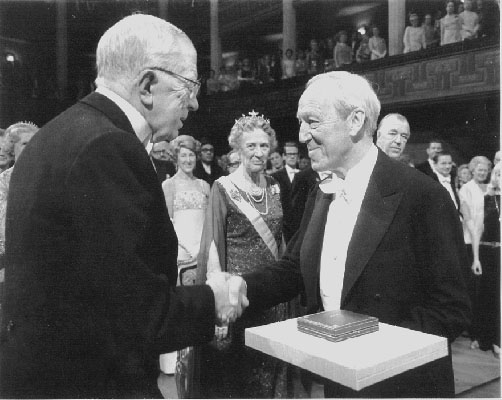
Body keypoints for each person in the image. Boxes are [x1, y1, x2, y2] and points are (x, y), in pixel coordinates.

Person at [0, 15, 243, 398]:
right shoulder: (107, 147)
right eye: (189, 86)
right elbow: (139, 316)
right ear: (148, 84)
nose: (195, 102)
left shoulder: (56, 133)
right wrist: (214, 298)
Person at [228, 71, 470, 398]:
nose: (302, 135)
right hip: (338, 386)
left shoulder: (423, 196)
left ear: (355, 121)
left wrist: (364, 351)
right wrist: (241, 286)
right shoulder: (321, 190)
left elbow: (450, 310)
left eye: (312, 122)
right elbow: (294, 268)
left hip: (401, 388)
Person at [196, 111, 289, 398]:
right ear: (237, 148)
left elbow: (281, 239)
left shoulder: (274, 186)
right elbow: (213, 246)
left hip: (273, 296)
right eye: (251, 146)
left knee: (274, 373)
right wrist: (218, 308)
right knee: (243, 378)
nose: (259, 153)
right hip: (240, 299)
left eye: (264, 145)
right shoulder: (223, 187)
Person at [459, 155, 492, 350]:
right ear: (472, 170)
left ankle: (487, 333)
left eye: (485, 169)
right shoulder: (466, 189)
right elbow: (469, 220)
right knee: (475, 291)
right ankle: (475, 334)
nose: (483, 172)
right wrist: (476, 250)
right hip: (470, 244)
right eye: (479, 169)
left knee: (487, 291)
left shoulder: (490, 188)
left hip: (487, 245)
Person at [470, 162, 500, 357]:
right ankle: (486, 338)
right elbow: (477, 230)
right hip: (488, 253)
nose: (499, 177)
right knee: (489, 297)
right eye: (497, 173)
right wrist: (475, 258)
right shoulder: (486, 199)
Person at [273, 141, 299, 243]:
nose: (292, 157)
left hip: (300, 225)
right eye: (289, 154)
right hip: (284, 226)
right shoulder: (276, 177)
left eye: (295, 154)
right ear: (284, 156)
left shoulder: (305, 176)